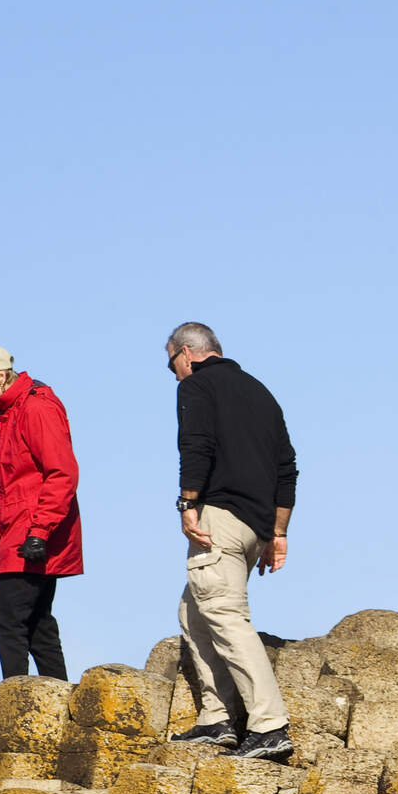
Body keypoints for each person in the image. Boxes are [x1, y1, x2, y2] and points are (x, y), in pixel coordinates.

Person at [163, 321, 298, 761]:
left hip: (219, 519)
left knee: (224, 615)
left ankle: (269, 725)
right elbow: (287, 468)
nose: (175, 375)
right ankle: (216, 718)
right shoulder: (261, 392)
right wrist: (277, 533)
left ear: (187, 353)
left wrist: (187, 504)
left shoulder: (197, 387)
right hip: (256, 527)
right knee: (193, 611)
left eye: (172, 366)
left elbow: (195, 445)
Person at [0, 345, 82, 680]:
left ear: (0, 375)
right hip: (22, 529)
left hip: (37, 530)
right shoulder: (10, 415)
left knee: (6, 618)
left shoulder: (36, 408)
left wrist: (39, 532)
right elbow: (10, 488)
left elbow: (61, 473)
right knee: (36, 623)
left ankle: (15, 706)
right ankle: (57, 704)